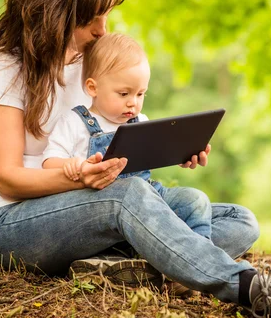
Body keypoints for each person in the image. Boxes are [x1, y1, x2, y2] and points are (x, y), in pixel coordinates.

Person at [0, 0, 271, 317]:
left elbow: (119, 124)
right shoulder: (6, 67)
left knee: (236, 220)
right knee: (126, 196)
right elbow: (8, 180)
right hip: (9, 223)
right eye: (91, 19)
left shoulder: (89, 64)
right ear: (57, 11)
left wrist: (174, 148)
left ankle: (117, 266)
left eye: (106, 16)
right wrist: (85, 179)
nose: (102, 30)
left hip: (93, 207)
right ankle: (250, 289)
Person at [42, 33, 212, 242]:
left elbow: (159, 153)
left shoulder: (142, 120)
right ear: (92, 87)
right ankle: (173, 250)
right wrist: (73, 165)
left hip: (149, 199)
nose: (133, 102)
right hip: (103, 207)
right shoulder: (75, 122)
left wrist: (184, 154)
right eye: (124, 94)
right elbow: (49, 162)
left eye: (140, 94)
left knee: (196, 200)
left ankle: (197, 249)